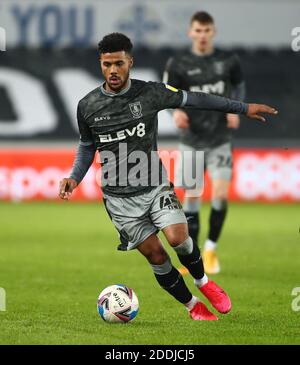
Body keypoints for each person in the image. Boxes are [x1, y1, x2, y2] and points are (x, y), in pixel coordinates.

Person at [59, 33, 277, 320]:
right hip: (119, 201)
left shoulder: (150, 93)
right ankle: (192, 306)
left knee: (178, 238)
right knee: (157, 257)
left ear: (130, 63)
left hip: (154, 187)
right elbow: (88, 146)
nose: (113, 70)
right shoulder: (87, 106)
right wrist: (74, 177)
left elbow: (197, 99)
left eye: (119, 64)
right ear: (101, 64)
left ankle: (204, 282)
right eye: (107, 64)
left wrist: (243, 107)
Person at [163, 11, 246, 274]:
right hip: (191, 140)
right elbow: (166, 96)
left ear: (213, 32)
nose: (202, 35)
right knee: (192, 198)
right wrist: (175, 112)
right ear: (190, 32)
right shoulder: (178, 64)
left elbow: (239, 86)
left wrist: (237, 110)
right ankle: (195, 255)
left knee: (220, 195)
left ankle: (211, 248)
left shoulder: (228, 61)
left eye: (206, 31)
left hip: (220, 139)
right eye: (197, 31)